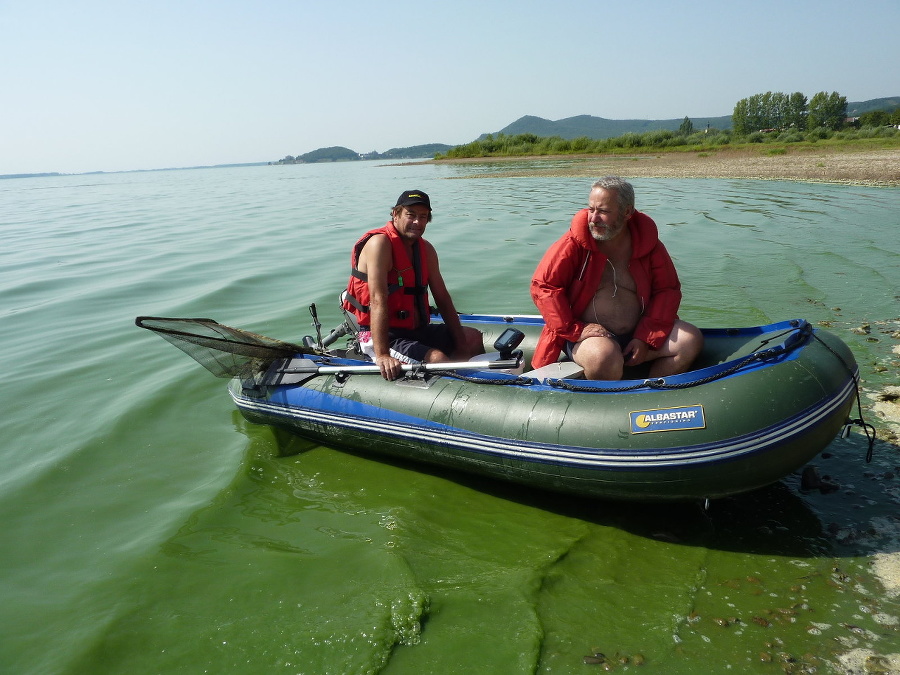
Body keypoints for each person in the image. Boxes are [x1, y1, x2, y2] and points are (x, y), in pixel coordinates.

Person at [530, 177, 703, 380]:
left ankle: (649, 396)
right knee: (603, 356)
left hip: (640, 331)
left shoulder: (649, 244)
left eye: (603, 211)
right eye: (591, 209)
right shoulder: (573, 244)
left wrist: (645, 338)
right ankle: (605, 405)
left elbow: (667, 290)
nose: (593, 218)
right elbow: (544, 287)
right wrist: (574, 330)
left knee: (690, 340)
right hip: (588, 338)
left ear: (627, 212)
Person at [343, 189, 483, 380]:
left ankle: (485, 383)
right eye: (411, 215)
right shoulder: (380, 244)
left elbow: (442, 297)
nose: (417, 222)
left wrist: (462, 346)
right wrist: (383, 355)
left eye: (423, 216)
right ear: (396, 214)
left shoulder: (426, 249)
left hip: (417, 329)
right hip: (384, 337)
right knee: (437, 359)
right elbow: (377, 299)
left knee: (472, 337)